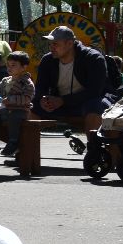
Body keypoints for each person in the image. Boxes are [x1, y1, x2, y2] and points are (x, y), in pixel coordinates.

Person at [34, 25, 111, 153]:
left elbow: (94, 91)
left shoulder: (93, 58)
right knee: (31, 109)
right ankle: (25, 153)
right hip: (60, 104)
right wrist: (42, 99)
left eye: (55, 44)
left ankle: (96, 153)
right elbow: (40, 87)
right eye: (50, 44)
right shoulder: (47, 60)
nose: (51, 47)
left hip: (87, 103)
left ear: (69, 43)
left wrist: (62, 100)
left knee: (94, 106)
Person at [0, 51, 36, 157]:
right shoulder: (5, 81)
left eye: (13, 65)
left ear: (23, 67)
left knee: (14, 117)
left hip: (21, 111)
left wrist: (11, 99)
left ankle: (13, 142)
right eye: (8, 65)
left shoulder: (26, 82)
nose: (9, 68)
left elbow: (27, 98)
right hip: (5, 109)